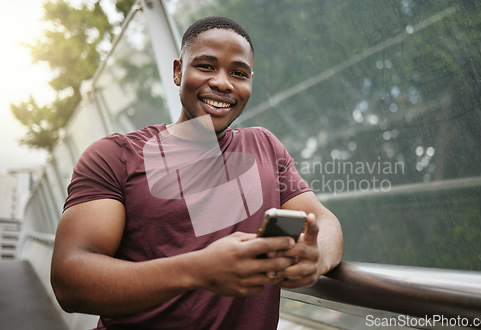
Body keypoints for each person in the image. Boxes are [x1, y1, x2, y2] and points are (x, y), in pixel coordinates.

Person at [51, 16, 343, 330]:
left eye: (239, 73)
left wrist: (317, 260)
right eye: (206, 66)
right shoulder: (115, 155)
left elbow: (324, 221)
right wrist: (199, 270)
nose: (222, 83)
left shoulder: (265, 146)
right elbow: (69, 281)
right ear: (178, 71)